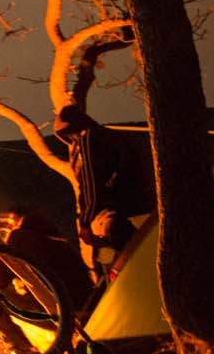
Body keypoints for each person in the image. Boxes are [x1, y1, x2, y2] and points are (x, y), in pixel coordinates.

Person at [54, 105, 154, 277]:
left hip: (120, 212)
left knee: (124, 265)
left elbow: (92, 185)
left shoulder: (88, 139)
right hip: (147, 207)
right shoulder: (114, 137)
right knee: (146, 256)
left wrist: (85, 222)